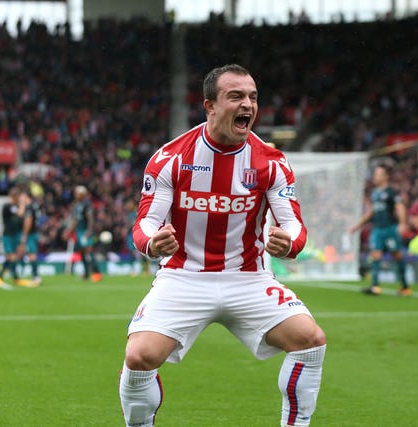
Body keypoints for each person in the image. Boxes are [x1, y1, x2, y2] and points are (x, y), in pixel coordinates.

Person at [118, 64, 326, 427]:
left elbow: (294, 226)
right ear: (210, 105)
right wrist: (152, 243)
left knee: (310, 340)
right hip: (184, 277)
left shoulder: (272, 163)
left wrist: (288, 244)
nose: (248, 104)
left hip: (249, 280)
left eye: (253, 97)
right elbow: (145, 224)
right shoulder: (170, 158)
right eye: (236, 96)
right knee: (139, 357)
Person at [349, 165, 411, 296]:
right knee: (375, 254)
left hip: (390, 228)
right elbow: (372, 211)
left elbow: (400, 207)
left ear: (385, 177)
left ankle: (405, 287)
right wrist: (358, 225)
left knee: (397, 255)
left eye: (378, 174)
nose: (375, 177)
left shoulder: (391, 192)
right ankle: (375, 286)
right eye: (375, 174)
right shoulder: (375, 193)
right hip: (378, 229)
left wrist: (402, 223)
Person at [63, 185, 102, 282]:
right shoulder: (76, 205)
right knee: (82, 252)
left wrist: (89, 231)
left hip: (85, 231)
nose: (76, 195)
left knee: (89, 250)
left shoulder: (86, 204)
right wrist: (69, 231)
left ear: (83, 194)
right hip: (78, 231)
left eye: (78, 193)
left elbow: (90, 218)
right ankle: (86, 273)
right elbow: (76, 220)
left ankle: (97, 273)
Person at [0, 186, 26, 286]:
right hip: (8, 235)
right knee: (12, 256)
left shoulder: (13, 207)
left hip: (14, 234)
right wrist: (23, 204)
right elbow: (20, 214)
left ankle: (0, 276)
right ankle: (16, 278)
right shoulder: (8, 206)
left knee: (10, 257)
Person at [20, 189, 42, 285]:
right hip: (35, 232)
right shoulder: (35, 206)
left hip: (31, 234)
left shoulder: (29, 208)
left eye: (22, 197)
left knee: (32, 255)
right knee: (30, 254)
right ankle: (32, 274)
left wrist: (24, 235)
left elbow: (28, 222)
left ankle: (36, 276)